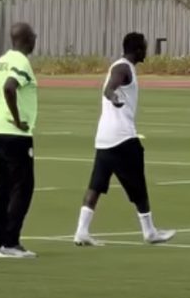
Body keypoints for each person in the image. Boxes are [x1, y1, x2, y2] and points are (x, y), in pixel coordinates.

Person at [74, 33, 175, 246]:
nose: (146, 51)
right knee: (138, 185)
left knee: (96, 184)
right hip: (122, 138)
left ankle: (81, 231)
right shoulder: (123, 68)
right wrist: (114, 97)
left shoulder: (123, 67)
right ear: (137, 50)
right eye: (144, 48)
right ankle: (150, 232)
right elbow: (109, 88)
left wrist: (114, 95)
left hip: (104, 138)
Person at [0, 23, 39, 258]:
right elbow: (10, 88)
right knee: (22, 186)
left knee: (2, 185)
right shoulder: (20, 61)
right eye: (33, 36)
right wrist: (17, 120)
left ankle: (0, 241)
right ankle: (11, 242)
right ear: (27, 39)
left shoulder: (1, 60)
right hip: (14, 133)